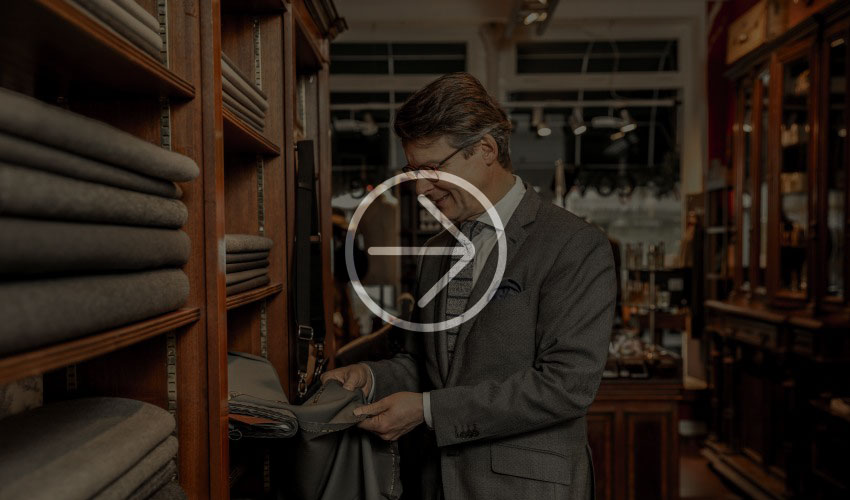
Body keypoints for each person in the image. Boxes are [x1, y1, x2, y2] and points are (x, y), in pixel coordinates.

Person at [321, 72, 617, 500]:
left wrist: (427, 411)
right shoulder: (436, 251)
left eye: (432, 169)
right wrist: (370, 377)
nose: (421, 188)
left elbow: (566, 386)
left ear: (486, 150)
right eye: (412, 171)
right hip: (436, 484)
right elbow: (426, 365)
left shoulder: (574, 245)